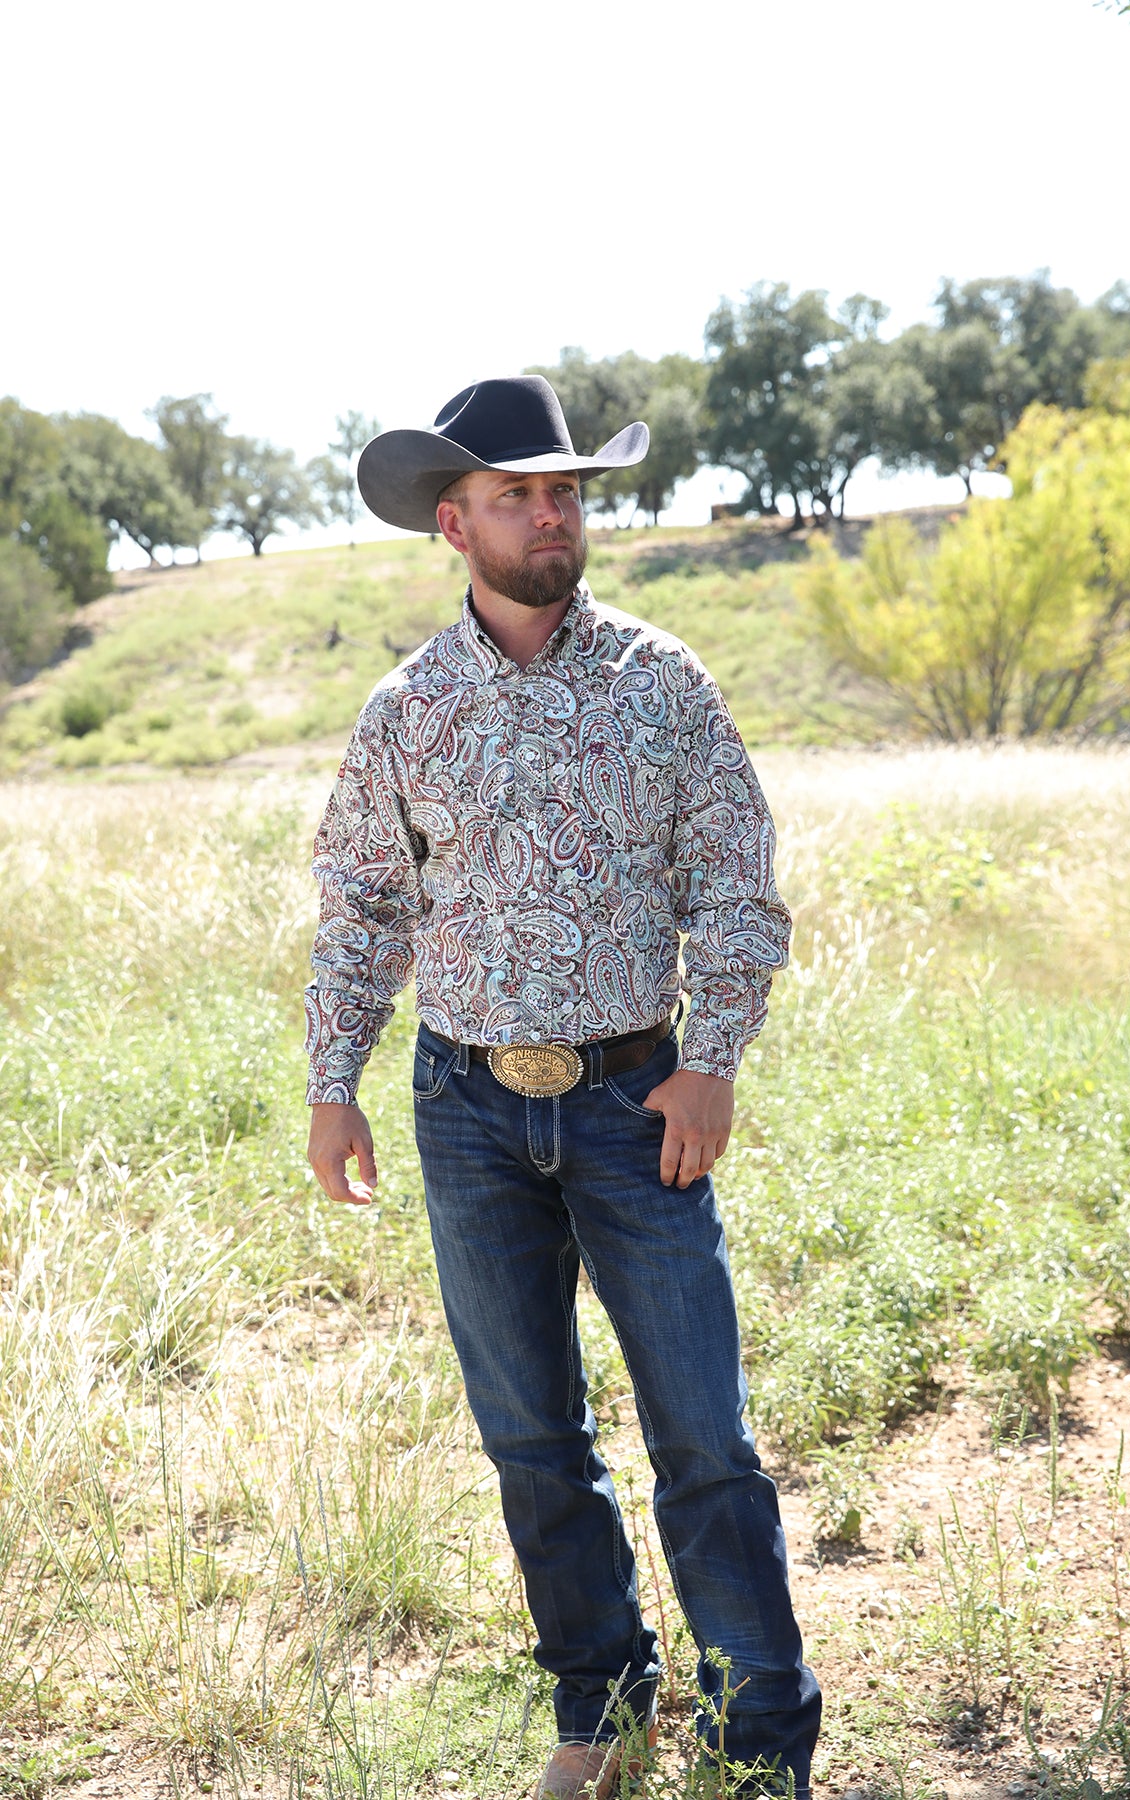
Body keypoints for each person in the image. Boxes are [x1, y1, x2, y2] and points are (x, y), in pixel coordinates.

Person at [304, 376, 822, 1799]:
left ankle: (760, 1740)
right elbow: (363, 909)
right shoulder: (408, 708)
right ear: (453, 525)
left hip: (636, 1102)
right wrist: (334, 1082)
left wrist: (710, 1063)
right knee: (533, 1439)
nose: (550, 515)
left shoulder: (664, 682)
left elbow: (736, 887)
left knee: (704, 1438)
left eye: (565, 492)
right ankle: (601, 1708)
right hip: (466, 1108)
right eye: (518, 496)